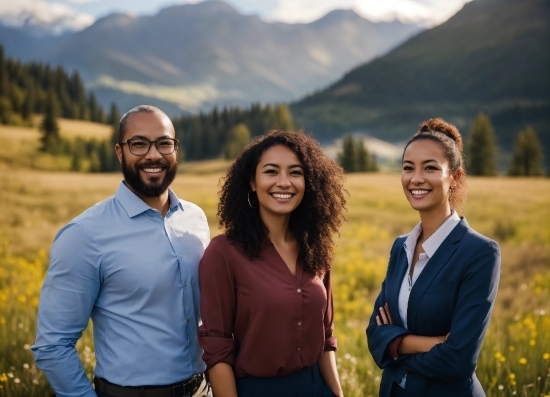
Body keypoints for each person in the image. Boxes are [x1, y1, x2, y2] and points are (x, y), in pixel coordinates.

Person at [32, 105, 211, 397]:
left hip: (202, 389)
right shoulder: (84, 235)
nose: (153, 155)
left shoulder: (195, 218)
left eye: (164, 143)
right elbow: (52, 345)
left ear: (175, 149)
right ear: (119, 152)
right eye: (138, 144)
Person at [198, 130, 347, 397]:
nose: (284, 182)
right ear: (252, 183)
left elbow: (326, 339)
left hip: (316, 388)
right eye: (271, 171)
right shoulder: (223, 253)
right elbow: (217, 350)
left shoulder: (316, 250)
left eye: (295, 172)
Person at [366, 118, 501, 397]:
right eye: (408, 168)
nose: (416, 178)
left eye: (430, 167)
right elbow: (374, 334)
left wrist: (395, 345)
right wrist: (429, 343)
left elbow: (458, 360)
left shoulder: (479, 253)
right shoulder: (400, 247)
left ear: (455, 177)